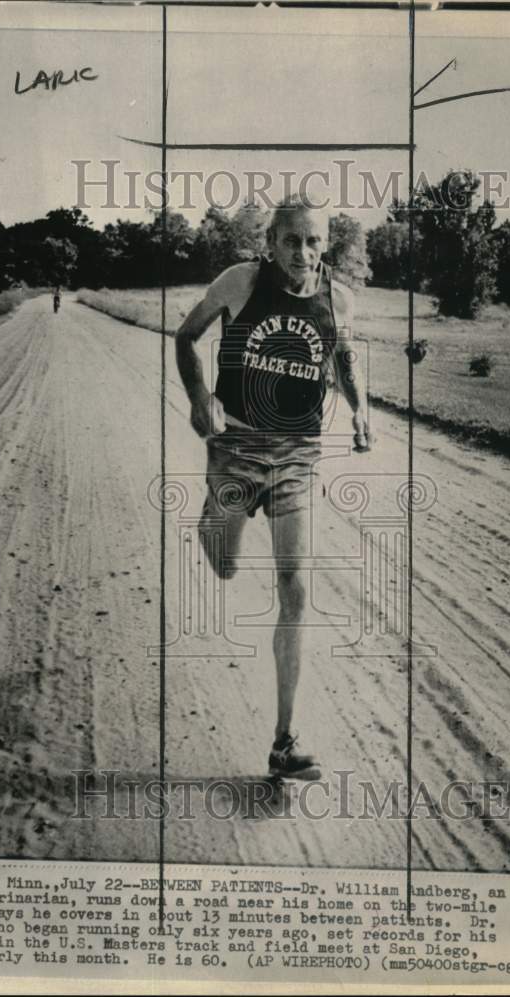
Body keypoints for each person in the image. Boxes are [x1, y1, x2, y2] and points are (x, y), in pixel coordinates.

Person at [175, 197, 372, 777]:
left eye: (314, 242)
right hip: (236, 449)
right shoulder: (240, 282)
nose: (303, 253)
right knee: (226, 565)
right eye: (292, 241)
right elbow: (186, 337)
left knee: (296, 591)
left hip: (296, 457)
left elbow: (341, 356)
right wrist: (200, 397)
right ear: (271, 244)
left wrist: (360, 411)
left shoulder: (339, 299)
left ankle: (284, 741)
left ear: (325, 246)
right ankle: (213, 518)